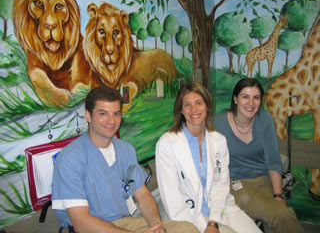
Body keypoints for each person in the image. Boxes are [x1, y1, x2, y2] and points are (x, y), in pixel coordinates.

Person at [52, 85, 200, 233]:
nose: (111, 121)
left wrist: (156, 226)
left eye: (116, 114)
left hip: (125, 223)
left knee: (188, 229)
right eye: (103, 114)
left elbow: (142, 195)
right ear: (88, 116)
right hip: (93, 228)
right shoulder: (70, 159)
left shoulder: (126, 150)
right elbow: (82, 223)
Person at [156, 82, 261, 233]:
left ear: (207, 106)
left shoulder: (218, 141)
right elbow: (172, 199)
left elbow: (221, 185)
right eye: (187, 105)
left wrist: (213, 222)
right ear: (181, 110)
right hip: (188, 216)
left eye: (199, 103)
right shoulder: (167, 144)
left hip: (219, 209)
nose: (194, 110)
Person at [213, 78, 304, 233]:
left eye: (256, 97)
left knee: (275, 215)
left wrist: (278, 195)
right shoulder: (218, 122)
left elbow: (273, 159)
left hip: (263, 179)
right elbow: (212, 160)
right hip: (236, 183)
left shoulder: (265, 119)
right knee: (281, 215)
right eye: (245, 96)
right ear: (235, 99)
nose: (251, 103)